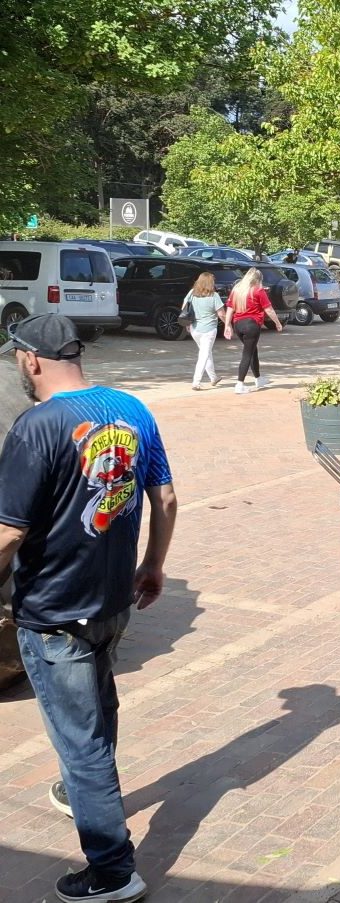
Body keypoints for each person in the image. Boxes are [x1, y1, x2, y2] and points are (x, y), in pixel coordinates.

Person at [0, 314, 177, 903]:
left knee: (81, 743)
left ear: (31, 360)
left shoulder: (37, 425)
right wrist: (153, 566)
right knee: (97, 710)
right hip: (110, 599)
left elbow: (8, 532)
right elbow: (167, 496)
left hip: (54, 610)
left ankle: (112, 870)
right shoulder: (131, 408)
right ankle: (86, 789)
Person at [223, 268, 284, 395]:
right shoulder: (258, 291)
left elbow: (229, 309)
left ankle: (258, 378)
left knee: (252, 351)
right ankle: (240, 384)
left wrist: (227, 325)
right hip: (251, 325)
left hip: (238, 324)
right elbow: (269, 309)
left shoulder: (237, 290)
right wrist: (277, 323)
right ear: (258, 280)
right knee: (247, 354)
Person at [183, 272, 225, 391]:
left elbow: (184, 309)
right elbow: (221, 314)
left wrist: (187, 323)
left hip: (194, 328)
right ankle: (196, 382)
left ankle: (213, 377)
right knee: (204, 355)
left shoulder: (192, 293)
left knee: (206, 353)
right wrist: (228, 324)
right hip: (209, 329)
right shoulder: (214, 296)